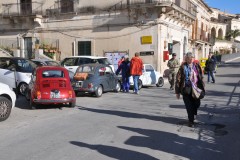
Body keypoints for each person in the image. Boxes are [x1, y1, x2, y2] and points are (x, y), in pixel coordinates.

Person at [175, 52, 205, 127]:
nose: (190, 59)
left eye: (191, 57)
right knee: (188, 106)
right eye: (188, 58)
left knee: (197, 103)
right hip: (186, 89)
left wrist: (202, 86)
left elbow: (201, 76)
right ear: (186, 59)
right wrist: (177, 92)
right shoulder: (182, 67)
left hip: (196, 88)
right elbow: (178, 79)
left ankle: (193, 113)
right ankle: (190, 120)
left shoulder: (197, 66)